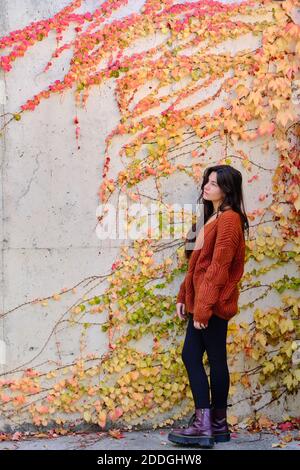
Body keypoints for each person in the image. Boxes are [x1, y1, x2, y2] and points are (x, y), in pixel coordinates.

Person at [168, 164, 249, 448]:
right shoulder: (211, 217)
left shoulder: (229, 220)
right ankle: (216, 424)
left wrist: (202, 309)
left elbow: (218, 269)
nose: (206, 186)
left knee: (196, 356)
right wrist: (182, 296)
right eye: (207, 181)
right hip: (202, 300)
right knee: (209, 358)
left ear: (227, 189)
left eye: (213, 183)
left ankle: (205, 425)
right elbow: (196, 267)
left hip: (212, 303)